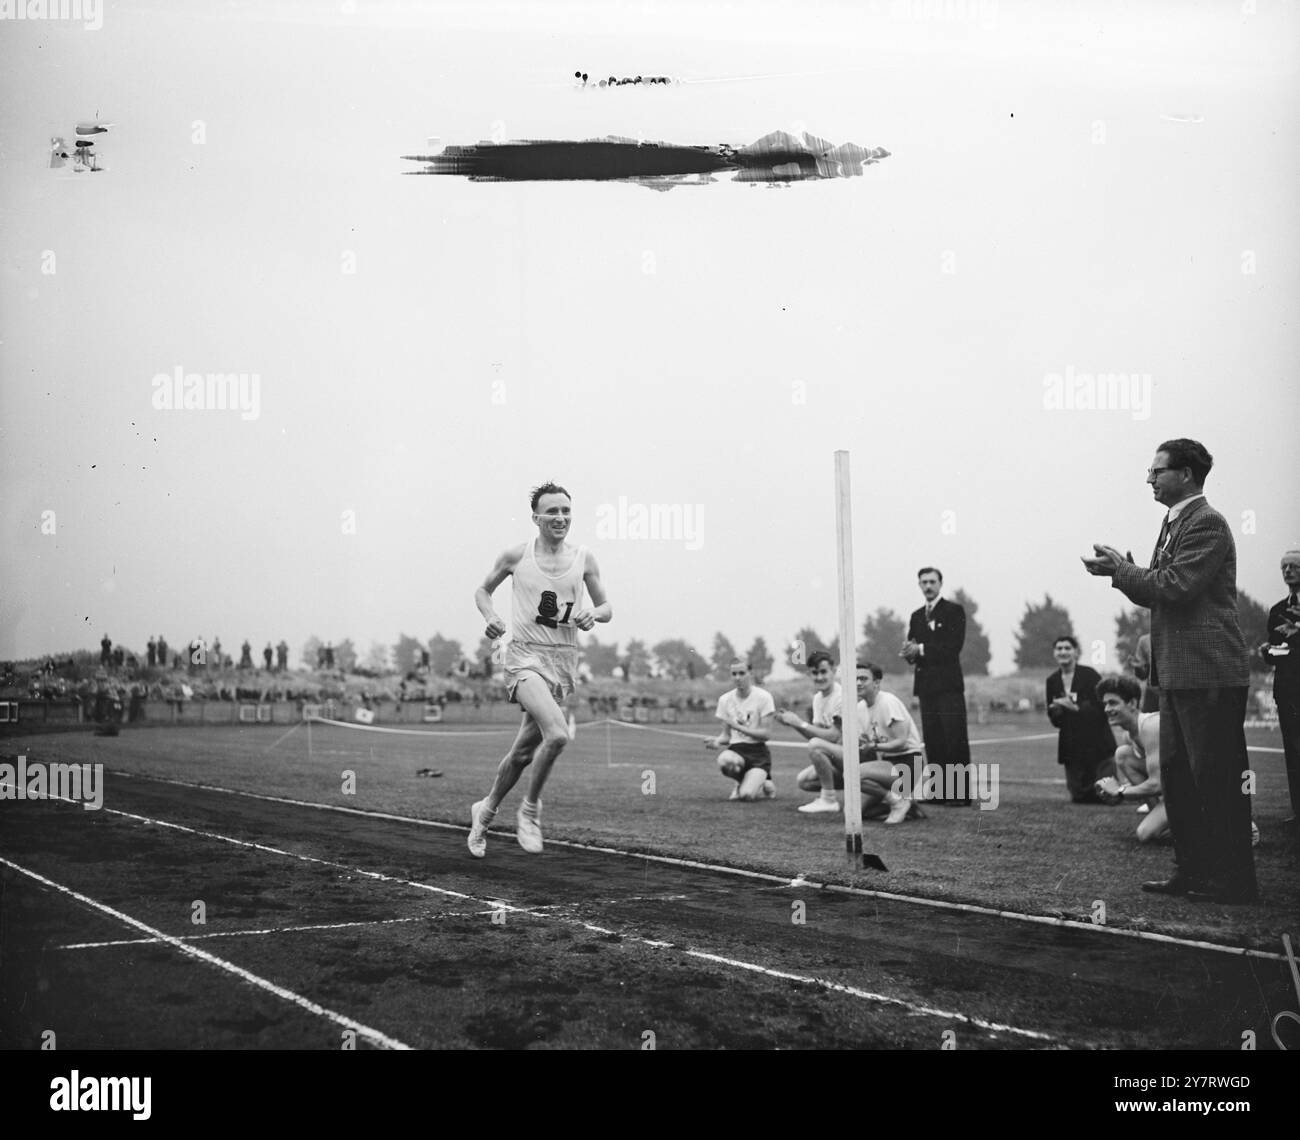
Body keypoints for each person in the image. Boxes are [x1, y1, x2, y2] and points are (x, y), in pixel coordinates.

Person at [1084, 438, 1256, 903]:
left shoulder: (1209, 524)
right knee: (1179, 779)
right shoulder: (1174, 521)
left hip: (1209, 676)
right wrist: (1128, 571)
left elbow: (1175, 586)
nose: (1149, 479)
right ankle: (1193, 870)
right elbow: (1163, 585)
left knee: (1216, 779)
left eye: (1157, 471)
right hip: (1179, 676)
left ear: (1185, 474)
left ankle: (1233, 881)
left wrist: (1121, 571)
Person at [467, 482, 611, 857]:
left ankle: (484, 812)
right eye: (552, 511)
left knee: (521, 754)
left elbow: (607, 607)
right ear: (536, 518)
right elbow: (482, 591)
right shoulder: (517, 556)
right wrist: (491, 616)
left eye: (566, 510)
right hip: (525, 658)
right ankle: (530, 811)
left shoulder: (584, 559)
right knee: (559, 736)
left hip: (562, 662)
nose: (560, 517)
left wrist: (592, 614)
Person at [791, 662, 922, 824]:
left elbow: (902, 743)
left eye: (863, 679)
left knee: (853, 774)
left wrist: (874, 746)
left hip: (908, 764)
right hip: (887, 763)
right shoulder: (859, 708)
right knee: (852, 812)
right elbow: (864, 745)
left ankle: (897, 801)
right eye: (856, 679)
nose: (858, 683)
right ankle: (909, 805)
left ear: (876, 683)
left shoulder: (888, 702)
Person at [901, 567, 971, 805]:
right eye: (923, 582)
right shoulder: (916, 615)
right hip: (926, 686)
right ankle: (940, 792)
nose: (928, 586)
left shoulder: (954, 611)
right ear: (919, 585)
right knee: (934, 739)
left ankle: (959, 794)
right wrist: (910, 653)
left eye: (932, 581)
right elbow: (913, 646)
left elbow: (953, 646)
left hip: (949, 686)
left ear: (941, 584)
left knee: (955, 738)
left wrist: (920, 649)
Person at [1093, 674, 1168, 843]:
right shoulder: (1129, 735)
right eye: (1105, 704)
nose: (1106, 709)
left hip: (1195, 789)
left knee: (1145, 834)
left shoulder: (1150, 726)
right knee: (1122, 754)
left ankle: (1198, 826)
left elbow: (1157, 784)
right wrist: (1116, 792)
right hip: (1175, 787)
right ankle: (1162, 816)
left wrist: (1120, 792)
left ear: (1132, 703)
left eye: (1112, 703)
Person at [1045, 635, 1117, 803]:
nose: (1063, 652)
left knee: (1106, 797)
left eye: (1067, 648)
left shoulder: (1090, 675)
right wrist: (1056, 710)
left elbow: (1102, 709)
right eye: (1059, 648)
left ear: (1076, 652)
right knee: (1079, 797)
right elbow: (1055, 721)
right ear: (1054, 653)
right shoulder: (1052, 681)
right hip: (1071, 746)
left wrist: (1075, 708)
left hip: (1097, 744)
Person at [1258, 549, 1300, 825]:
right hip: (1287, 690)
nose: (1287, 571)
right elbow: (1277, 649)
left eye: (1293, 566)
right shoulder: (1277, 610)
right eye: (1284, 566)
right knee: (1293, 750)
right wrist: (1267, 652)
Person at [774, 650, 842, 813]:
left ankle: (829, 800)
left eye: (824, 672)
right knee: (804, 781)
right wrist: (794, 724)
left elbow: (834, 736)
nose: (819, 677)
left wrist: (800, 723)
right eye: (815, 673)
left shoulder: (841, 695)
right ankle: (835, 792)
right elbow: (816, 732)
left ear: (833, 671)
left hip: (856, 756)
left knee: (815, 746)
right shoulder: (818, 698)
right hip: (838, 756)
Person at [705, 658, 776, 801]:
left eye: (742, 673)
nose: (737, 678)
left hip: (758, 755)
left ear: (750, 673)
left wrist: (739, 727)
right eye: (734, 674)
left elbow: (766, 734)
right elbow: (726, 735)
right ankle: (742, 782)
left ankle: (763, 783)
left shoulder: (764, 697)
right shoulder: (725, 700)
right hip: (737, 751)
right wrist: (717, 741)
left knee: (747, 796)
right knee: (724, 760)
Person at [1129, 633, 1160, 713]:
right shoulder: (1144, 640)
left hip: (1175, 691)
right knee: (1147, 722)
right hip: (1153, 692)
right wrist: (1137, 667)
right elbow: (1142, 676)